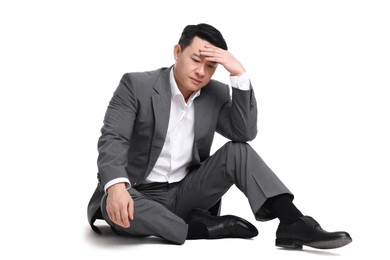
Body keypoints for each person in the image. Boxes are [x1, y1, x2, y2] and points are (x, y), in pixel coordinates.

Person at [87, 23, 352, 249]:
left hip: (186, 193)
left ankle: (293, 222)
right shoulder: (136, 85)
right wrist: (116, 187)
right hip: (137, 193)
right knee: (121, 208)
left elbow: (244, 133)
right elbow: (113, 138)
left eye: (211, 65)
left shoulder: (215, 93)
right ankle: (201, 229)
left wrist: (239, 75)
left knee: (238, 151)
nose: (201, 71)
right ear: (177, 52)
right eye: (195, 60)